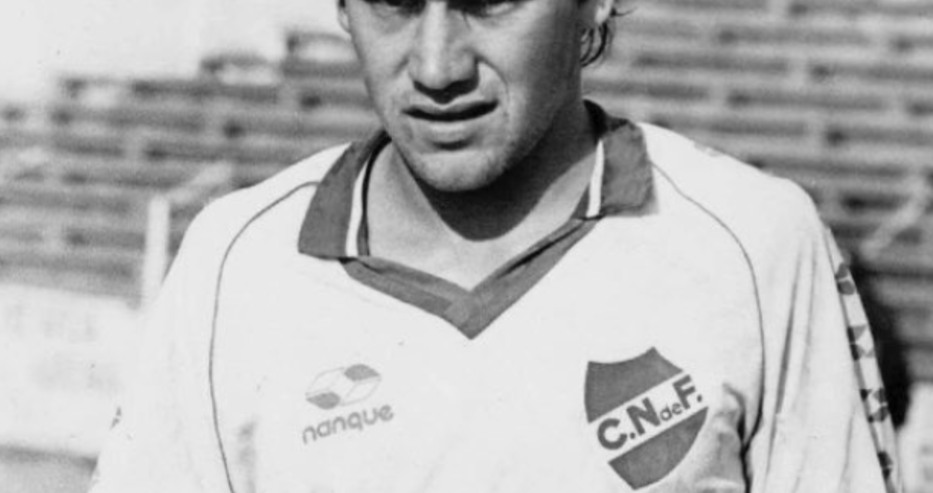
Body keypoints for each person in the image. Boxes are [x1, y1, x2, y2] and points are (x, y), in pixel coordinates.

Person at [89, 0, 902, 491]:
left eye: (489, 2)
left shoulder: (754, 242)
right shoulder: (234, 264)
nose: (436, 64)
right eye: (394, 4)